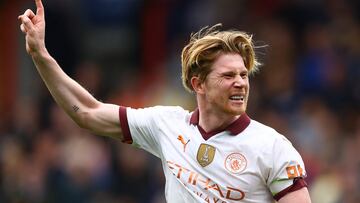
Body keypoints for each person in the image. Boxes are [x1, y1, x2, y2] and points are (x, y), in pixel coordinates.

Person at [18, 0, 311, 202]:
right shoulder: (167, 124)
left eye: (244, 75)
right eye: (228, 75)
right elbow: (88, 112)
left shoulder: (273, 148)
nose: (240, 83)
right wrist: (41, 55)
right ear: (199, 84)